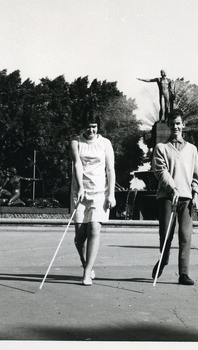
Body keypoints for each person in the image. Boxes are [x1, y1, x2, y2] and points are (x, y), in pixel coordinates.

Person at [152, 109, 198, 285]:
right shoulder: (161, 148)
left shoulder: (192, 150)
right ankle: (164, 260)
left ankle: (183, 273)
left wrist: (195, 194)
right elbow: (160, 171)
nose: (176, 127)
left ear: (183, 125)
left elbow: (196, 176)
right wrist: (172, 188)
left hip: (186, 199)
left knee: (185, 235)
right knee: (166, 234)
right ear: (168, 126)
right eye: (172, 124)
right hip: (167, 197)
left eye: (178, 123)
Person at [71, 111, 116, 286]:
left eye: (94, 126)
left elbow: (110, 170)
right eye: (88, 126)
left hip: (100, 192)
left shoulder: (105, 143)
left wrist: (111, 194)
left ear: (98, 127)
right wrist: (80, 187)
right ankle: (86, 265)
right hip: (80, 193)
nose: (91, 130)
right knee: (79, 239)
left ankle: (87, 273)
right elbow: (77, 163)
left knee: (95, 229)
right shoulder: (76, 142)